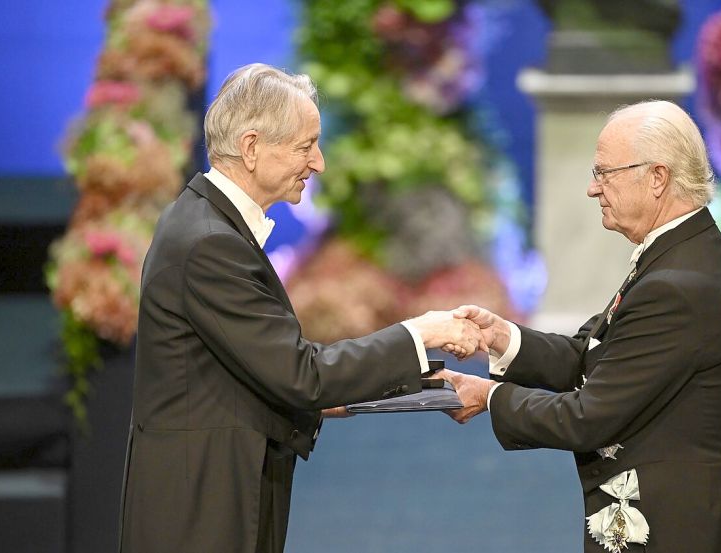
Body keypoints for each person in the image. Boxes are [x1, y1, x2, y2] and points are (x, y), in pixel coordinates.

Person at [118, 63, 482, 553]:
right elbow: (301, 375)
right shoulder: (209, 243)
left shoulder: (205, 224)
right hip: (202, 513)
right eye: (305, 145)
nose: (319, 162)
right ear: (251, 148)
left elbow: (265, 371)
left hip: (213, 496)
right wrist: (421, 332)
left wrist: (416, 384)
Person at [439, 100, 721, 553]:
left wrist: (489, 397)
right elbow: (596, 353)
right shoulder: (682, 252)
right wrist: (501, 338)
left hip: (677, 533)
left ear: (657, 177)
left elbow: (588, 419)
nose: (592, 189)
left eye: (605, 173)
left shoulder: (679, 285)